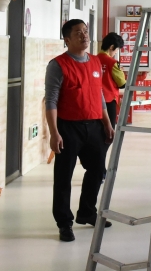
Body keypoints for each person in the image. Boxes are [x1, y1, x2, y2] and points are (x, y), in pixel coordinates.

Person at [45, 19, 115, 242]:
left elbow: (100, 96)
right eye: (78, 33)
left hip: (94, 126)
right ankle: (64, 223)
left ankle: (87, 212)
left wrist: (106, 123)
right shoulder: (58, 65)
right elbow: (51, 101)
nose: (84, 35)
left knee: (97, 171)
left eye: (85, 31)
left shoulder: (95, 62)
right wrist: (54, 132)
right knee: (64, 177)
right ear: (67, 40)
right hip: (68, 128)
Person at [98, 31, 126, 127]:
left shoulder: (93, 59)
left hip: (95, 99)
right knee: (109, 128)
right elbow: (122, 84)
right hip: (109, 100)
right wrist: (121, 72)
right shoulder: (112, 62)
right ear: (111, 47)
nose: (116, 52)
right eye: (116, 49)